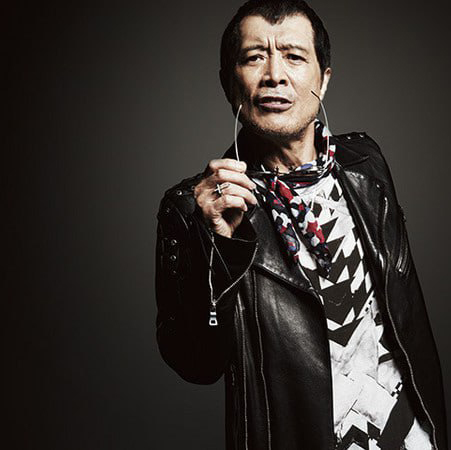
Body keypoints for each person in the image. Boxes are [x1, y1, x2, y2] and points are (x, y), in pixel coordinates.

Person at [155, 1, 448, 448]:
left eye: (293, 56)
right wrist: (217, 245)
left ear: (322, 79)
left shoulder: (365, 164)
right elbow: (197, 364)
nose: (274, 74)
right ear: (229, 82)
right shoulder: (196, 207)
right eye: (254, 57)